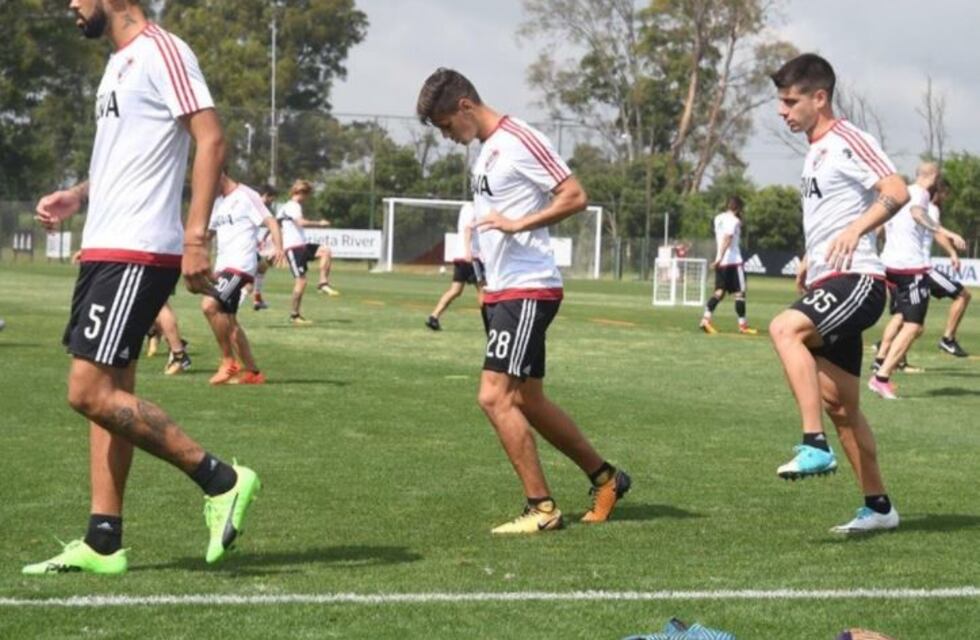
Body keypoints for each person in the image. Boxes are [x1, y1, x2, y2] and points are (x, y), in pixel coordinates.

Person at [27, 0, 259, 574]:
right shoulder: (117, 63)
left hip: (139, 248)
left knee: (87, 391)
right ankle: (104, 540)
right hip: (106, 244)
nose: (72, 6)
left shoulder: (164, 50)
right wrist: (78, 196)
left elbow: (210, 139)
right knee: (108, 396)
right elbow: (125, 156)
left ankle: (221, 480)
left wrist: (196, 234)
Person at [417, 68, 630, 534]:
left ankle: (542, 508)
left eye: (446, 126)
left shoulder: (519, 139)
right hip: (503, 290)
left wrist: (520, 225)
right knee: (528, 400)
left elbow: (574, 195)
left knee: (494, 398)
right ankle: (607, 477)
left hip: (529, 287)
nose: (448, 136)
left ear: (465, 107)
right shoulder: (487, 153)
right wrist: (485, 285)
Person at [767, 54, 907, 533]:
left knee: (784, 328)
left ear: (819, 97)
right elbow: (830, 215)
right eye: (781, 102)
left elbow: (896, 189)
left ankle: (814, 445)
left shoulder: (849, 139)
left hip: (860, 281)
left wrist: (856, 231)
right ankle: (880, 507)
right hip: (830, 277)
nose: (782, 111)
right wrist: (812, 256)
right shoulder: (815, 150)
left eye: (790, 101)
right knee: (843, 406)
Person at [203, 172, 285, 385]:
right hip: (222, 268)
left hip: (239, 266)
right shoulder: (218, 202)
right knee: (229, 320)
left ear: (219, 174)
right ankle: (253, 373)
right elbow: (208, 235)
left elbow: (271, 222)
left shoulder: (246, 195)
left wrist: (279, 248)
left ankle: (228, 362)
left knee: (210, 305)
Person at [867, 163, 940, 399]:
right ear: (934, 177)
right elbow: (917, 213)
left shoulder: (899, 191)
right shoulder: (921, 193)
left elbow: (878, 225)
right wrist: (946, 233)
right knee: (913, 325)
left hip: (889, 266)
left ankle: (881, 363)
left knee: (900, 317)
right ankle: (881, 377)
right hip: (911, 267)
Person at [279, 179, 334, 324]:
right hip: (293, 248)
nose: (308, 198)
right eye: (308, 195)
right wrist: (319, 223)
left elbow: (278, 223)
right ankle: (294, 315)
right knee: (301, 281)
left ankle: (323, 283)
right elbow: (300, 222)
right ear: (302, 193)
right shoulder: (293, 206)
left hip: (301, 245)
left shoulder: (286, 206)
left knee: (325, 251)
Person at [700, 196, 757, 335]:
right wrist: (719, 257)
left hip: (722, 263)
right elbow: (727, 238)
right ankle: (743, 326)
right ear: (738, 208)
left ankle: (705, 319)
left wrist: (718, 259)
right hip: (733, 261)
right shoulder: (734, 220)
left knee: (719, 292)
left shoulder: (718, 218)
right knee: (740, 293)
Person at [926, 181, 971, 357]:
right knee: (963, 295)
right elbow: (936, 232)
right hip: (920, 267)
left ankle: (884, 349)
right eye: (945, 194)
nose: (946, 198)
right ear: (938, 193)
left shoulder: (911, 204)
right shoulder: (930, 207)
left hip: (898, 266)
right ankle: (947, 339)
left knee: (907, 315)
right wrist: (953, 252)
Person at [426, 201, 485, 331]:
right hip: (471, 256)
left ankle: (434, 316)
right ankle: (490, 322)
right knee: (483, 290)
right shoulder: (474, 209)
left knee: (456, 290)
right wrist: (468, 251)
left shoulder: (466, 207)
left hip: (461, 256)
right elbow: (468, 229)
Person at [241, 184, 279, 311]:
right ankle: (231, 310)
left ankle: (257, 298)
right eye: (271, 199)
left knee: (262, 268)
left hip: (249, 247)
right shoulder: (256, 206)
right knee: (248, 283)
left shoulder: (249, 204)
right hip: (246, 249)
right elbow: (271, 223)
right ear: (266, 195)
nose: (271, 202)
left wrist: (260, 240)